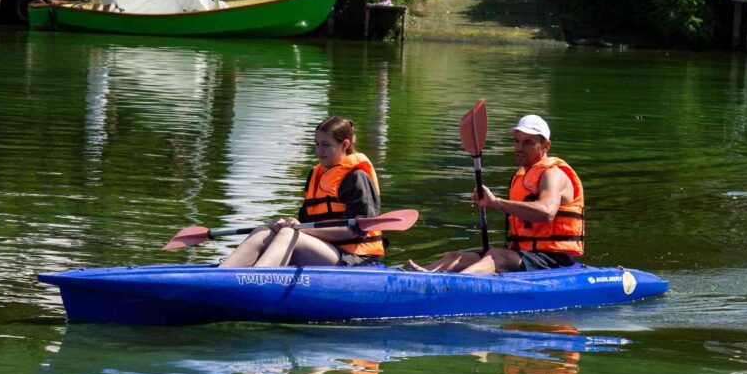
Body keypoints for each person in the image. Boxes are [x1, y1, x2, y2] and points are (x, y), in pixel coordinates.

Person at [407, 114, 584, 274]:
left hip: (553, 260)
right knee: (455, 257)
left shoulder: (552, 173)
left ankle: (449, 287)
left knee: (496, 257)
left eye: (527, 142)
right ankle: (418, 277)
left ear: (546, 145)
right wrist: (487, 202)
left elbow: (547, 212)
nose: (519, 147)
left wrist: (496, 202)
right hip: (525, 254)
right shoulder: (523, 175)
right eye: (517, 141)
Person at [218, 116, 385, 268]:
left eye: (326, 145)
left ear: (345, 145)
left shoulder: (357, 177)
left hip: (356, 259)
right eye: (317, 144)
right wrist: (286, 223)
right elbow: (307, 223)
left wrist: (300, 229)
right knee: (264, 231)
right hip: (324, 250)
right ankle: (221, 275)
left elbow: (356, 231)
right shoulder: (316, 175)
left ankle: (252, 280)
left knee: (289, 235)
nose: (319, 150)